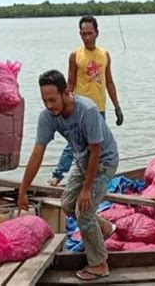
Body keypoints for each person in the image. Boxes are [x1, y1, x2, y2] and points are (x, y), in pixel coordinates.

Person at [18, 70, 118, 280]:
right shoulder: (47, 117)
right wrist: (23, 189)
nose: (49, 105)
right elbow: (37, 153)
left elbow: (96, 151)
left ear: (66, 93)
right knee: (66, 204)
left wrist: (87, 189)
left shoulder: (87, 110)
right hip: (83, 159)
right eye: (45, 100)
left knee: (84, 211)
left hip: (104, 161)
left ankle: (99, 264)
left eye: (53, 99)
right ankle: (105, 228)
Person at [48, 15, 123, 186]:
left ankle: (94, 176)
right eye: (83, 34)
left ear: (97, 33)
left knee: (98, 145)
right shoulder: (76, 55)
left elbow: (109, 81)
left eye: (90, 33)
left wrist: (117, 107)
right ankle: (58, 174)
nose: (87, 37)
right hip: (80, 108)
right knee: (75, 144)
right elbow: (70, 82)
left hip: (99, 108)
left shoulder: (104, 55)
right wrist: (63, 105)